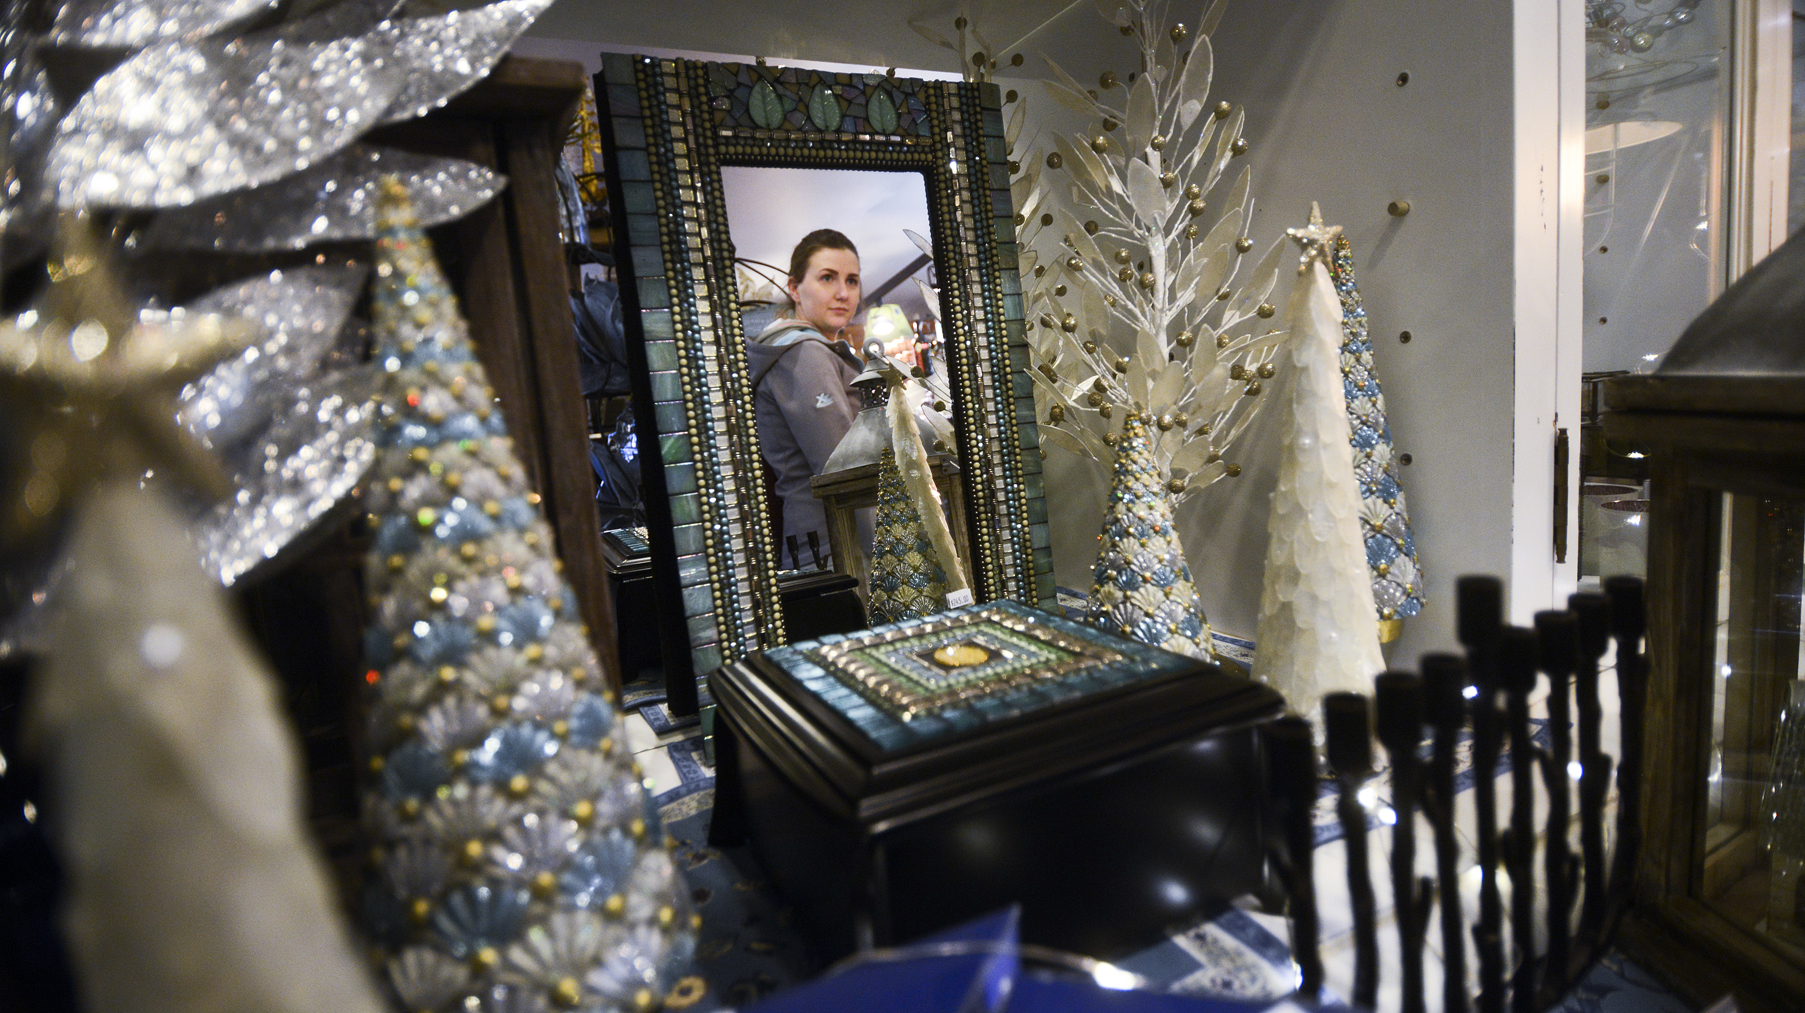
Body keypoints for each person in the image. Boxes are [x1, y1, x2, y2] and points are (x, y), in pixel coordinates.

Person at [746, 229, 868, 568]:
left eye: (852, 280)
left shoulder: (814, 350)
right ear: (795, 288)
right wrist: (893, 551)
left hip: (826, 542)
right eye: (827, 278)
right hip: (836, 548)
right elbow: (848, 469)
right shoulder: (804, 354)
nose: (843, 293)